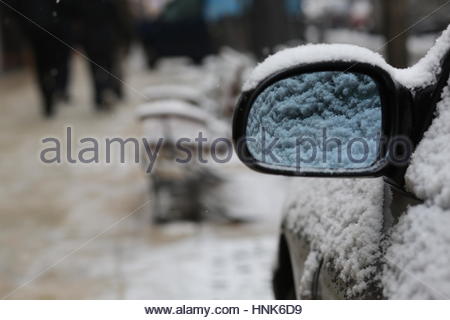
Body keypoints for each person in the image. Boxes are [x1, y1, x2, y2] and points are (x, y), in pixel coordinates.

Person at [5, 0, 72, 117]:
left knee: (44, 67)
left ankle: (50, 94)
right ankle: (53, 91)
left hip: (40, 31)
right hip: (48, 31)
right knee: (51, 64)